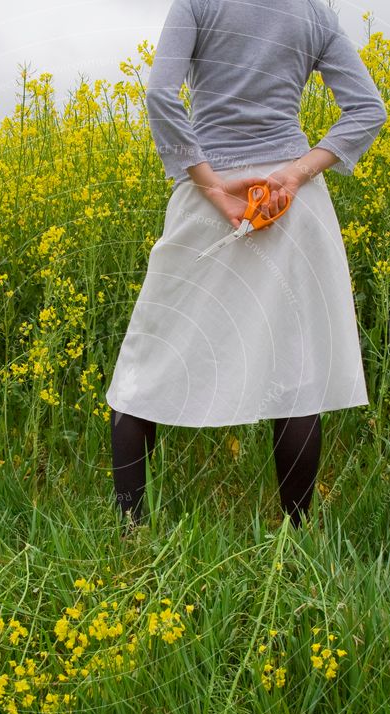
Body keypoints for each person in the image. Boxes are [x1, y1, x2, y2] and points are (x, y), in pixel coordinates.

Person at [105, 0, 387, 534]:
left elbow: (161, 94)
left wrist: (211, 186)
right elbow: (369, 109)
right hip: (292, 207)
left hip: (212, 194)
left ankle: (130, 530)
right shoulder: (314, 12)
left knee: (148, 361)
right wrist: (296, 174)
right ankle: (296, 538)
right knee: (297, 368)